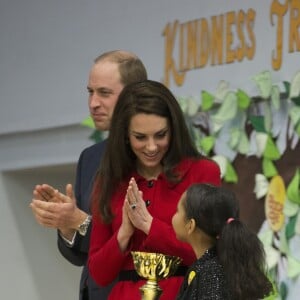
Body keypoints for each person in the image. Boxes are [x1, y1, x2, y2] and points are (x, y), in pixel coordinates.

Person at [29, 50, 148, 300]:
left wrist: (80, 222)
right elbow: (80, 256)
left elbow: (141, 243)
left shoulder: (152, 155)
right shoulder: (90, 158)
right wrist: (66, 225)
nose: (93, 103)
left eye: (104, 93)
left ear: (133, 96)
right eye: (90, 92)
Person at [87, 80, 221, 300]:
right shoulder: (109, 181)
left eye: (161, 135)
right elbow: (99, 274)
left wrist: (149, 226)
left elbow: (209, 255)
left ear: (174, 130)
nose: (151, 147)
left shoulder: (201, 172)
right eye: (140, 137)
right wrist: (124, 234)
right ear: (125, 136)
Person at [172, 183, 273, 300]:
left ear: (191, 225)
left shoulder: (210, 274)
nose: (174, 216)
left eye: (178, 211)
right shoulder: (210, 266)